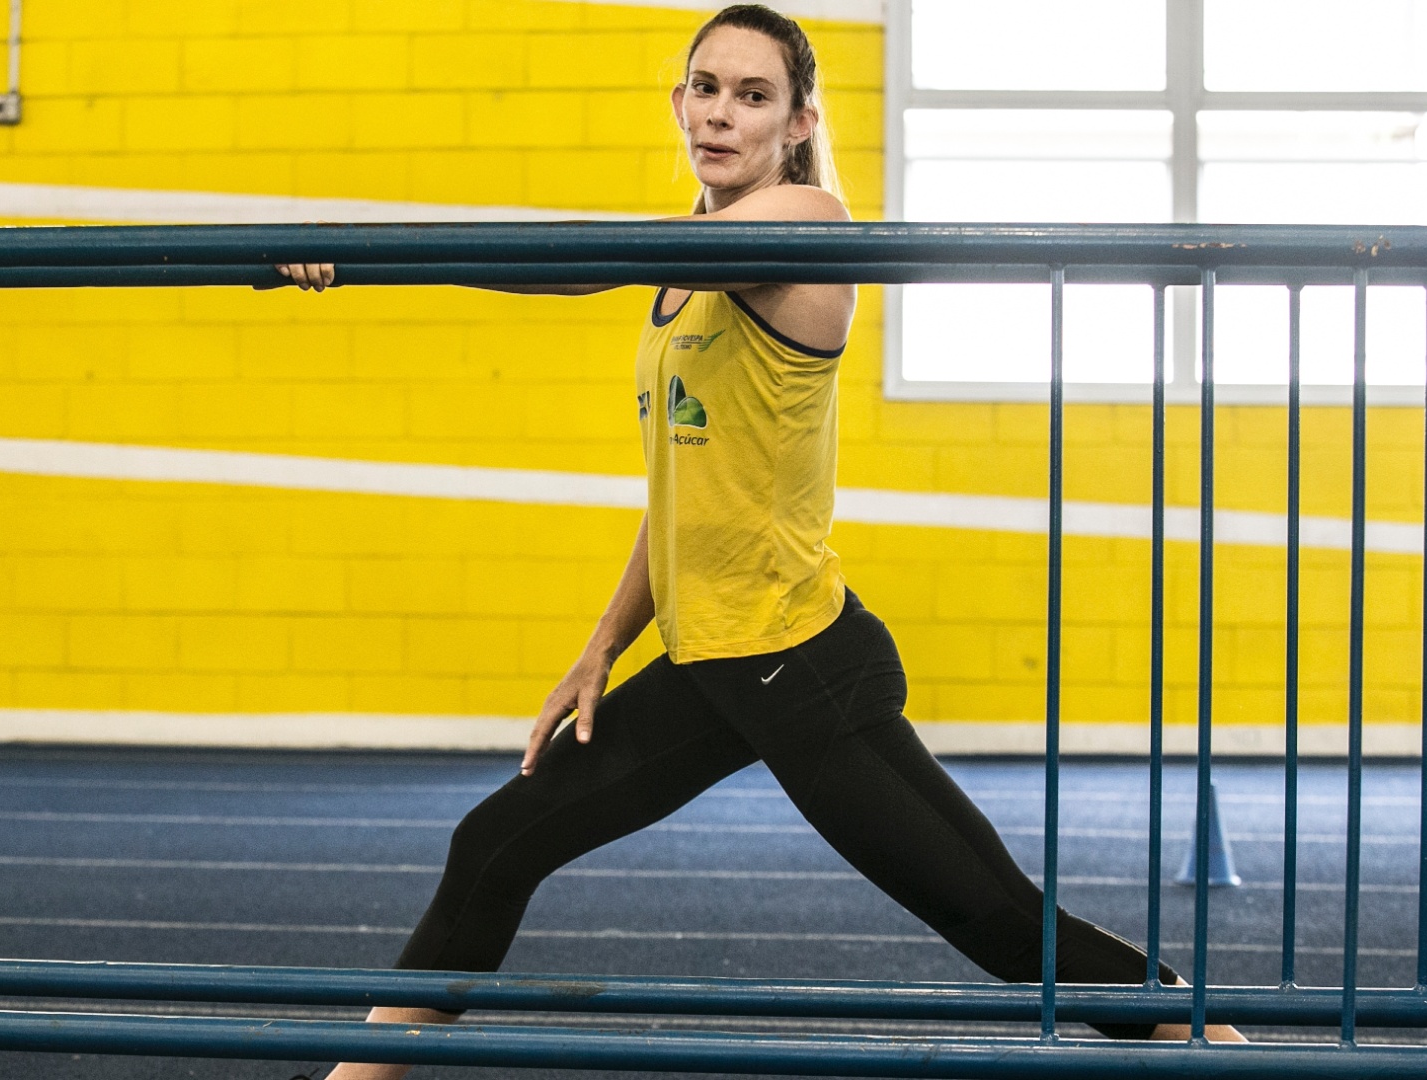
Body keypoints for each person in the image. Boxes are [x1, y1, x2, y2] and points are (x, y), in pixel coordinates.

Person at [273, 5, 1242, 1069]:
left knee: (1001, 926)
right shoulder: (688, 272)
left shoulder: (805, 229)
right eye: (704, 87)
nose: (719, 113)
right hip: (711, 666)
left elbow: (574, 259)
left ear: (796, 121)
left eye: (751, 95)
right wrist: (604, 644)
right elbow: (686, 489)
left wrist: (366, 256)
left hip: (800, 665)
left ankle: (1238, 1047)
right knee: (494, 844)